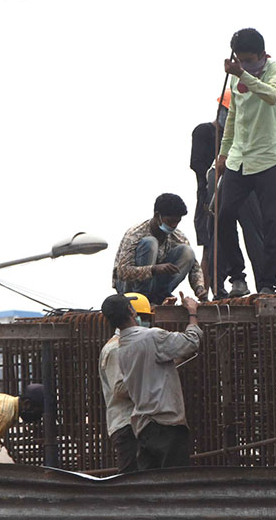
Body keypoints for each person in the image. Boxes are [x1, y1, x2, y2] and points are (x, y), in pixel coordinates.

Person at [216, 28, 276, 295]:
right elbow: (233, 117)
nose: (242, 64)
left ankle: (268, 282)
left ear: (261, 54)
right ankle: (237, 276)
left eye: (248, 60)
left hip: (269, 158)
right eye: (239, 59)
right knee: (224, 217)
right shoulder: (236, 79)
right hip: (239, 159)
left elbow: (272, 96)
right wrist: (224, 153)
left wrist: (242, 74)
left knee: (272, 221)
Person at [105, 292, 202, 470]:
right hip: (166, 425)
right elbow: (192, 341)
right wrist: (192, 313)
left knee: (150, 485)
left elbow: (146, 368)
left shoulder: (122, 347)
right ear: (131, 310)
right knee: (174, 483)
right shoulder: (151, 337)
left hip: (143, 428)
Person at [190, 90, 264, 298]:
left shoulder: (245, 138)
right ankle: (215, 290)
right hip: (210, 190)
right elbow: (198, 165)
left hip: (244, 189)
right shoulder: (205, 132)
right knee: (213, 241)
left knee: (255, 236)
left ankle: (262, 284)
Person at [112, 193, 207, 304]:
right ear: (157, 216)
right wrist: (154, 269)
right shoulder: (135, 234)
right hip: (130, 289)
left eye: (177, 222)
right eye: (170, 222)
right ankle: (143, 297)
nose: (173, 226)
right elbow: (123, 272)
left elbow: (194, 267)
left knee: (187, 251)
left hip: (156, 288)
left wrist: (199, 288)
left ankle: (160, 295)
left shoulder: (177, 236)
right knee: (150, 242)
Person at [97, 292, 152, 474]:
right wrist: (149, 377)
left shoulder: (131, 344)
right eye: (142, 317)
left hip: (137, 423)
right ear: (131, 312)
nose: (145, 322)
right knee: (131, 482)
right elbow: (120, 389)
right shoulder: (115, 348)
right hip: (126, 425)